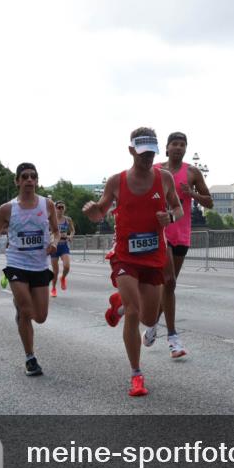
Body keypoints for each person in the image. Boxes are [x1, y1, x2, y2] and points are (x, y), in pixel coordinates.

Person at [83, 127, 181, 396]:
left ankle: (119, 304)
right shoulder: (116, 181)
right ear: (131, 151)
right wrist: (93, 212)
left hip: (153, 256)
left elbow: (178, 208)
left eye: (151, 153)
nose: (147, 158)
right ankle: (136, 374)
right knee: (135, 311)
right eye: (142, 153)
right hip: (125, 255)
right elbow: (101, 212)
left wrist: (170, 218)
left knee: (149, 318)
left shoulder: (165, 178)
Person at [0, 163, 60, 376]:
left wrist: (53, 241)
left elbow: (56, 231)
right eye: (24, 176)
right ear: (17, 181)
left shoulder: (47, 205)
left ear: (37, 180)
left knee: (40, 316)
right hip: (17, 263)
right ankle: (30, 358)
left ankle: (21, 309)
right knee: (26, 311)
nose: (29, 180)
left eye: (33, 176)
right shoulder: (7, 209)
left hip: (39, 264)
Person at [154, 131, 213, 359]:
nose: (178, 148)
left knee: (170, 285)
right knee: (167, 280)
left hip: (181, 233)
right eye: (174, 144)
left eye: (182, 145)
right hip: (160, 233)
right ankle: (172, 337)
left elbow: (210, 203)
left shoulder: (192, 172)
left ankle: (152, 325)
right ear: (166, 148)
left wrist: (193, 195)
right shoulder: (156, 170)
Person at [49, 201, 75, 297]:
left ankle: (63, 277)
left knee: (67, 266)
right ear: (55, 209)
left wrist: (70, 236)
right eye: (59, 207)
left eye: (62, 208)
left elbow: (72, 230)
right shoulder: (51, 220)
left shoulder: (68, 220)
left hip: (64, 245)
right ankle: (53, 288)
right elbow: (46, 231)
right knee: (55, 271)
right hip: (55, 246)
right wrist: (52, 237)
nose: (60, 209)